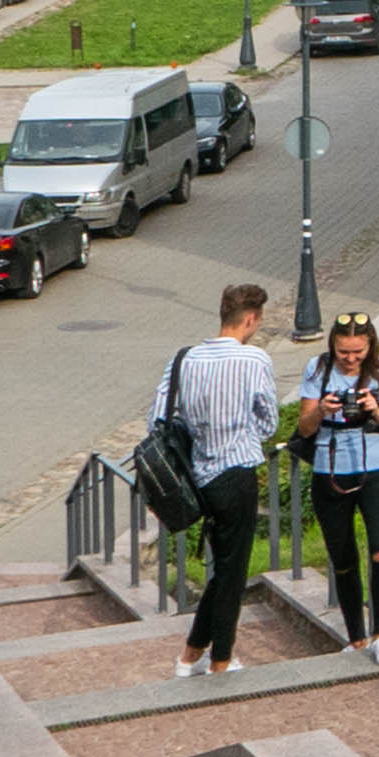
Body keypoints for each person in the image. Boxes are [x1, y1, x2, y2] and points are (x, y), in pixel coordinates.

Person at [152, 282, 278, 678]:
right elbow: (269, 422)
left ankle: (190, 654)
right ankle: (221, 659)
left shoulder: (184, 359)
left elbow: (159, 417)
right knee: (232, 571)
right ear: (251, 319)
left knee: (224, 567)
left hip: (199, 477)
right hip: (237, 473)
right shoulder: (253, 360)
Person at [296, 313, 379, 666]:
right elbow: (304, 426)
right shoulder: (317, 369)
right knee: (343, 558)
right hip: (330, 471)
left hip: (376, 469)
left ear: (370, 345)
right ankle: (356, 637)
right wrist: (322, 410)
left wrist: (376, 409)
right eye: (344, 351)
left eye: (358, 352)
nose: (350, 358)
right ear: (333, 345)